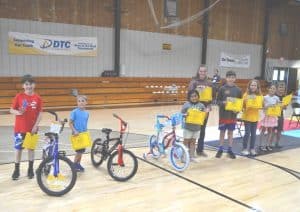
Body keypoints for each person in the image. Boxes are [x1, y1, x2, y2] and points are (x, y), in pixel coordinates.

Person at [10, 74, 43, 180]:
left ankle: (30, 169)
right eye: (26, 84)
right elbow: (11, 110)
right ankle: (16, 169)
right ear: (23, 86)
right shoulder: (19, 96)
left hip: (32, 129)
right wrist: (18, 112)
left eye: (31, 84)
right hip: (20, 129)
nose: (29, 86)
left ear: (34, 85)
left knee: (31, 149)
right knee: (18, 149)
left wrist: (36, 126)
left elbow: (40, 113)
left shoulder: (37, 98)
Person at [188, 64, 213, 157]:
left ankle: (200, 150)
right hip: (195, 108)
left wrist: (209, 106)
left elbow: (212, 97)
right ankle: (190, 150)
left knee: (202, 130)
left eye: (204, 71)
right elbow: (190, 95)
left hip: (205, 109)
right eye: (201, 71)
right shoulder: (193, 82)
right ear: (198, 72)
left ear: (206, 72)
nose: (202, 73)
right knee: (193, 130)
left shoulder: (209, 83)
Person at [216, 70, 242, 159]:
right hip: (223, 115)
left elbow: (240, 104)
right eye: (229, 77)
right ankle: (220, 149)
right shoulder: (222, 89)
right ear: (226, 78)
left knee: (230, 133)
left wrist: (237, 111)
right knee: (222, 132)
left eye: (232, 77)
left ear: (235, 78)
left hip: (232, 116)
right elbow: (217, 101)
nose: (231, 79)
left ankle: (230, 149)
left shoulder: (238, 90)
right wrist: (223, 102)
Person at [181, 90, 206, 162]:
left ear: (198, 96)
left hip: (197, 128)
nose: (194, 98)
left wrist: (206, 112)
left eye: (195, 96)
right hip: (188, 128)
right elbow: (181, 114)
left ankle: (191, 156)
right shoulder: (186, 104)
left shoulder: (201, 105)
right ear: (189, 97)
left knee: (193, 142)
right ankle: (183, 156)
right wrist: (185, 115)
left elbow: (204, 115)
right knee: (186, 142)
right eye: (192, 96)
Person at [241, 79, 263, 156]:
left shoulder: (260, 96)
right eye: (252, 85)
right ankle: (244, 148)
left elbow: (261, 105)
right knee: (247, 133)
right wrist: (245, 102)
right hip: (247, 117)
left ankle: (252, 148)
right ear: (249, 86)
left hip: (255, 117)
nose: (253, 87)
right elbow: (242, 105)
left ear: (257, 87)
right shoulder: (246, 94)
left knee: (253, 134)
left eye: (255, 85)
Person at [69, 95, 89, 172]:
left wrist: (86, 132)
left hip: (83, 134)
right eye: (79, 101)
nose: (81, 103)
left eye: (83, 101)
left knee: (82, 151)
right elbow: (70, 123)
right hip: (76, 134)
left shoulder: (87, 113)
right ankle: (74, 165)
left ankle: (78, 164)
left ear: (86, 102)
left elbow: (85, 123)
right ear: (77, 103)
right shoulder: (74, 112)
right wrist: (74, 131)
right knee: (78, 151)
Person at [259, 84, 281, 151]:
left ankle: (267, 145)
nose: (272, 90)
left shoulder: (277, 98)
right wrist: (267, 106)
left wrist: (278, 106)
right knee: (263, 130)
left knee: (270, 131)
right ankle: (261, 145)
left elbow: (278, 107)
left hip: (272, 116)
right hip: (266, 116)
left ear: (275, 90)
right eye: (271, 88)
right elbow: (262, 107)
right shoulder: (265, 97)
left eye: (274, 89)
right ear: (268, 89)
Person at [274, 82, 287, 148]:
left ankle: (277, 143)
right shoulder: (274, 95)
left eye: (283, 87)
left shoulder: (285, 97)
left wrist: (284, 106)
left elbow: (285, 108)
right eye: (280, 87)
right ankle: (269, 143)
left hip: (281, 115)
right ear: (277, 88)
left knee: (279, 129)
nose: (282, 89)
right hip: (273, 114)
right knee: (272, 130)